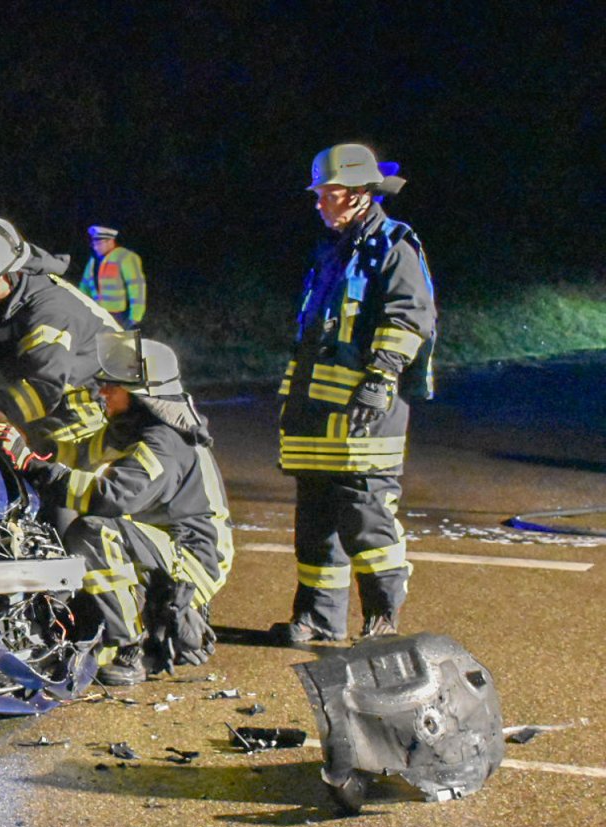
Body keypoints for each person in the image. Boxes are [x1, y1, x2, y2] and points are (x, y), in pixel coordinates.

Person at [273, 143, 437, 644]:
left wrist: (381, 376)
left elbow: (409, 316)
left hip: (365, 412)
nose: (321, 203)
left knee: (366, 518)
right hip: (316, 411)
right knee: (316, 520)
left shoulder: (393, 246)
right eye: (319, 194)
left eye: (331, 194)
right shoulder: (332, 250)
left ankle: (382, 618)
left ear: (362, 195)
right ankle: (318, 617)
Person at [47, 338, 233, 685]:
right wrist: (21, 443)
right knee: (95, 531)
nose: (103, 393)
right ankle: (123, 623)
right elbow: (79, 454)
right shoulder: (135, 425)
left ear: (141, 392)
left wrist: (46, 475)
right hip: (169, 540)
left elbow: (112, 497)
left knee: (93, 532)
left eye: (112, 386)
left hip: (193, 555)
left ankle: (128, 649)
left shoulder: (162, 441)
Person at [0, 217, 125, 465]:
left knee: (38, 465)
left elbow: (43, 388)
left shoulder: (48, 309)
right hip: (48, 395)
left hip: (92, 403)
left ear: (13, 271)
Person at [79, 225, 147, 329]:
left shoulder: (125, 257)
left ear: (110, 241)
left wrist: (135, 316)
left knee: (115, 344)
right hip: (98, 314)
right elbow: (84, 287)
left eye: (99, 243)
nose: (95, 247)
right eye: (93, 243)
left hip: (120, 315)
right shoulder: (93, 261)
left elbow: (136, 287)